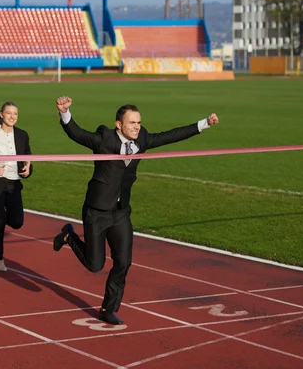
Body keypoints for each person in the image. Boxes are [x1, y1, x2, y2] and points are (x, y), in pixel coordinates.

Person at [52, 96, 219, 325]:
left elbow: (170, 136)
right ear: (119, 124)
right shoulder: (104, 138)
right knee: (95, 265)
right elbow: (77, 134)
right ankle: (69, 236)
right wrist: (65, 113)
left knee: (123, 262)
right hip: (97, 211)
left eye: (139, 122)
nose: (137, 127)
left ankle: (108, 308)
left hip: (121, 212)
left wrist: (204, 124)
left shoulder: (142, 139)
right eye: (132, 123)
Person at [0, 102, 33, 272]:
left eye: (15, 114)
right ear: (1, 115)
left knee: (17, 222)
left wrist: (28, 169)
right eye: (8, 113)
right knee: (1, 220)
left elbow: (28, 157)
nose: (12, 117)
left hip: (14, 183)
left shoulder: (22, 135)